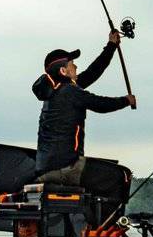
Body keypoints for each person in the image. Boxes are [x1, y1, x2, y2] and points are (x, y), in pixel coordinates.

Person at [31, 30, 137, 185]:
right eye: (72, 64)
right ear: (63, 71)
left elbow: (93, 72)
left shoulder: (55, 92)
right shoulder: (71, 91)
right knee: (120, 176)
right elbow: (100, 104)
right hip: (66, 168)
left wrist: (111, 45)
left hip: (46, 168)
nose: (76, 66)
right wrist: (126, 100)